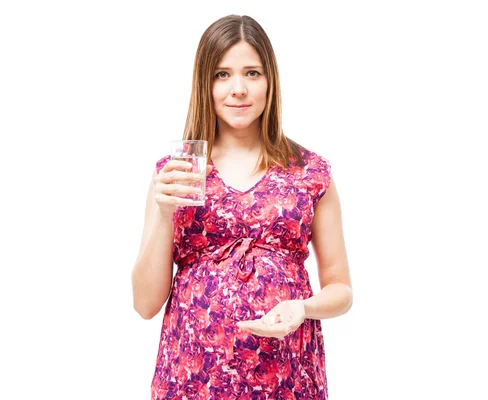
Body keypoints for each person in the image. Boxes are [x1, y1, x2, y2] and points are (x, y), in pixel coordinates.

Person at [131, 14, 352, 400]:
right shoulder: (178, 173)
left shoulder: (309, 172)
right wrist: (164, 212)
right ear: (205, 82)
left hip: (287, 374)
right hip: (193, 377)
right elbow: (145, 304)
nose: (238, 89)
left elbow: (342, 289)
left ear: (271, 81)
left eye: (252, 73)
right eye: (222, 74)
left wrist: (303, 307)